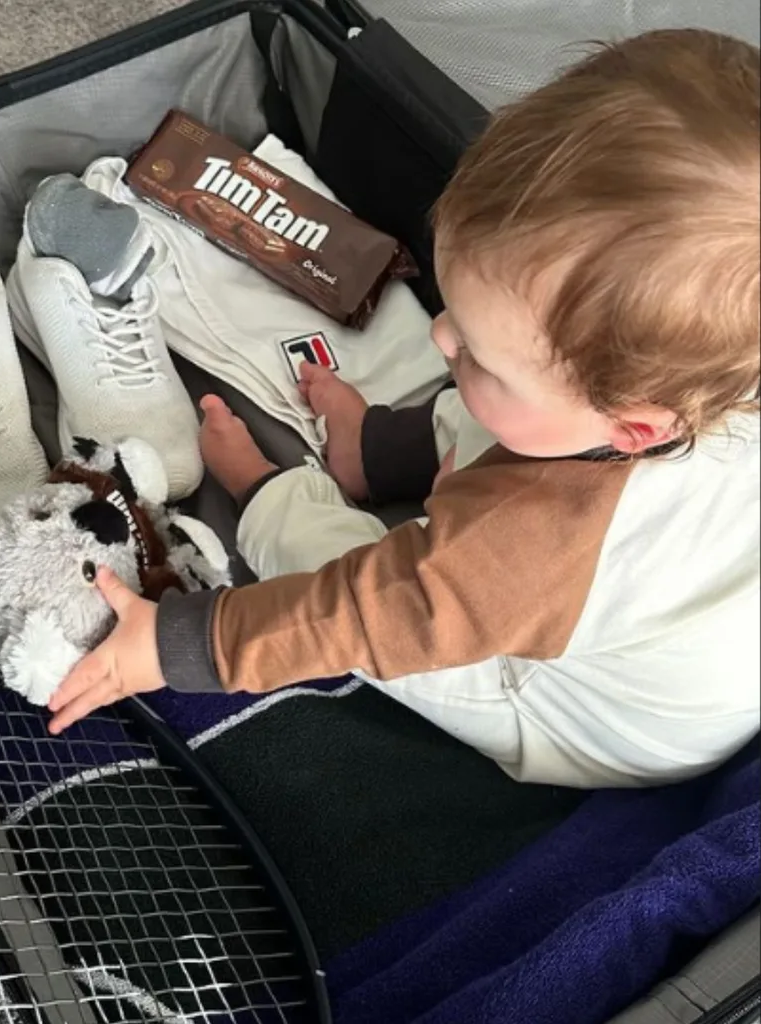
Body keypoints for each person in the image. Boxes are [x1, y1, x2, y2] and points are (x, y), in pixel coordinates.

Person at [47, 28, 760, 788]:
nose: (437, 332)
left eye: (476, 349)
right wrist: (478, 384)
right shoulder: (701, 361)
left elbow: (363, 613)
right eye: (451, 308)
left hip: (570, 715)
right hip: (654, 609)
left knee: (341, 567)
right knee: (494, 410)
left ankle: (273, 494)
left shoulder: (531, 545)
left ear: (636, 428)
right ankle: (371, 447)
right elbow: (525, 406)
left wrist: (176, 645)